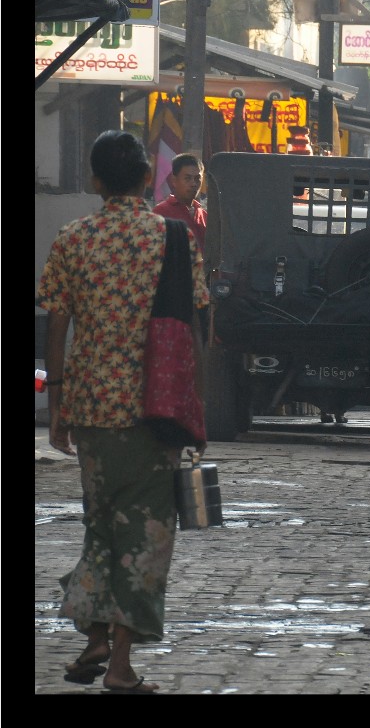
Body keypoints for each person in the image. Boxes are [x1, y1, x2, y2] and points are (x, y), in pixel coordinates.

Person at [37, 130, 211, 694]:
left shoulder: (72, 239)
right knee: (147, 536)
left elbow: (56, 323)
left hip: (90, 407)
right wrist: (194, 401)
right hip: (151, 408)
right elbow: (197, 323)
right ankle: (119, 666)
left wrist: (57, 404)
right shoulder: (175, 239)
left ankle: (93, 636)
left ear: (93, 181)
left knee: (101, 524)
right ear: (145, 179)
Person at [152, 152, 208, 252]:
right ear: (174, 180)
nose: (193, 184)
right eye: (187, 178)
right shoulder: (160, 213)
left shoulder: (204, 215)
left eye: (197, 179)